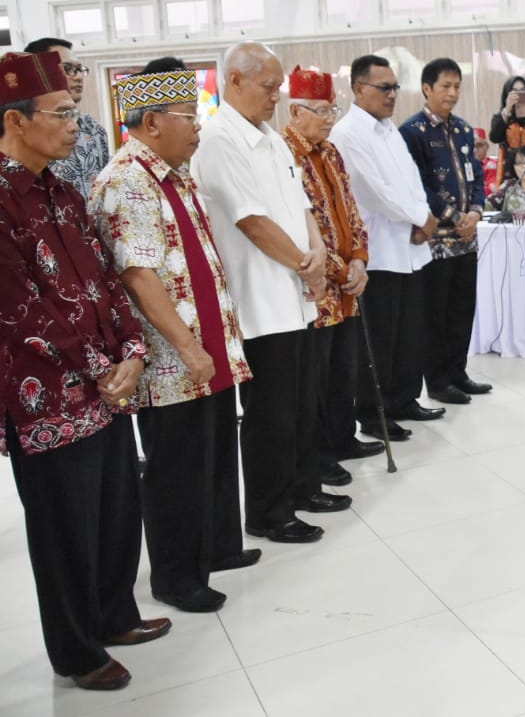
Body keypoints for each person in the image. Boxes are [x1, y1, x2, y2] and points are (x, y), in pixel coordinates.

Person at [0, 50, 164, 692]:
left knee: (116, 509)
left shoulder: (63, 191)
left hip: (106, 385)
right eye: (62, 113)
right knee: (65, 528)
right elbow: (19, 312)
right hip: (45, 400)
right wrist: (103, 365)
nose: (75, 123)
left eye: (75, 111)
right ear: (15, 121)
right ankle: (76, 651)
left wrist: (130, 350)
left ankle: (115, 615)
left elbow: (102, 279)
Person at [89, 60, 256, 615]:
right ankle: (176, 576)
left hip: (207, 348)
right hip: (172, 362)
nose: (199, 127)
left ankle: (214, 549)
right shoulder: (127, 180)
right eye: (189, 116)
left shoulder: (172, 172)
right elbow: (138, 275)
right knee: (175, 467)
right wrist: (187, 346)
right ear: (152, 121)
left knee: (210, 454)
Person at [190, 41, 333, 544]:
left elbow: (304, 208)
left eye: (278, 87)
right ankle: (270, 512)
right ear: (234, 82)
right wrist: (305, 265)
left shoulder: (271, 138)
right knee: (270, 415)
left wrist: (315, 254)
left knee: (300, 404)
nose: (276, 97)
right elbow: (250, 220)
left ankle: (302, 488)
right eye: (268, 87)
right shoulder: (218, 142)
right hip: (259, 301)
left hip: (295, 294)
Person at [282, 66, 387, 490]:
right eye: (321, 111)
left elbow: (350, 209)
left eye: (332, 109)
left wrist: (360, 259)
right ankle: (321, 457)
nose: (329, 119)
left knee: (345, 368)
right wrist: (339, 270)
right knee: (319, 378)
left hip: (348, 281)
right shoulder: (285, 154)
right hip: (317, 287)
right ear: (295, 112)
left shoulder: (330, 152)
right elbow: (300, 227)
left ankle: (343, 440)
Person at [330, 55, 441, 444]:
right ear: (358, 88)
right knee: (379, 338)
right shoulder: (348, 134)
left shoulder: (389, 129)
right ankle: (375, 413)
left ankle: (404, 399)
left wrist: (423, 216)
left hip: (409, 246)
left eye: (395, 87)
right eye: (384, 88)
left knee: (408, 332)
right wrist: (419, 219)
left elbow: (411, 180)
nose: (392, 95)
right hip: (377, 251)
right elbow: (374, 191)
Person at [401, 57, 492, 405]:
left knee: (461, 309)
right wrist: (457, 217)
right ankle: (437, 382)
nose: (453, 93)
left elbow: (478, 178)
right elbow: (420, 187)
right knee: (435, 314)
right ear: (427, 88)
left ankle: (458, 372)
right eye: (445, 86)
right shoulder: (412, 132)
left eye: (457, 86)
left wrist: (477, 212)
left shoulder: (465, 129)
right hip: (436, 241)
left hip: (468, 239)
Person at [23, 37, 111, 201]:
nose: (78, 77)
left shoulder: (93, 128)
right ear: (38, 72)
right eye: (68, 68)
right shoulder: (27, 130)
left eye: (79, 69)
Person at [475, 128, 501, 197]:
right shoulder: (465, 166)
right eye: (472, 146)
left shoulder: (492, 164)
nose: (475, 149)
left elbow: (492, 189)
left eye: (479, 145)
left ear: (486, 146)